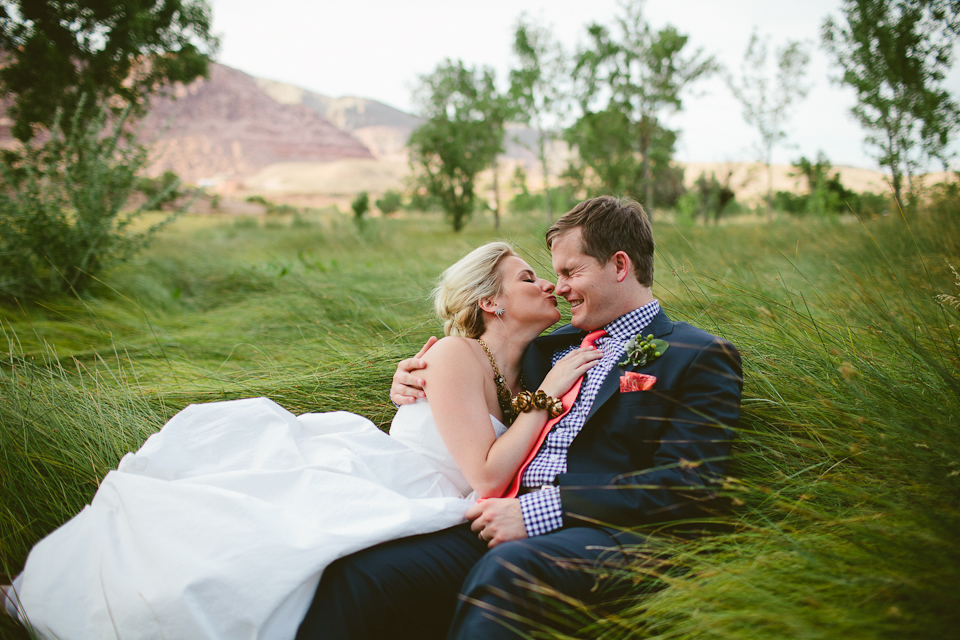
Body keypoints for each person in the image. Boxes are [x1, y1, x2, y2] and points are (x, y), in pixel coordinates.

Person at [1, 242, 602, 640]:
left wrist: (540, 387)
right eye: (528, 277)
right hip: (394, 478)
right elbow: (488, 476)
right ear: (489, 300)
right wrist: (548, 392)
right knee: (249, 549)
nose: (548, 284)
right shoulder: (453, 355)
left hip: (424, 494)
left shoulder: (525, 366)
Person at [297, 195, 743, 639]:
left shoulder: (696, 355)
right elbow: (483, 361)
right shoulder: (549, 346)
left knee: (508, 571)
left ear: (620, 265)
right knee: (364, 574)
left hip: (596, 530)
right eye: (554, 274)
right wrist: (412, 379)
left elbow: (690, 484)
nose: (560, 287)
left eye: (571, 272)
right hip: (492, 517)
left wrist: (538, 512)